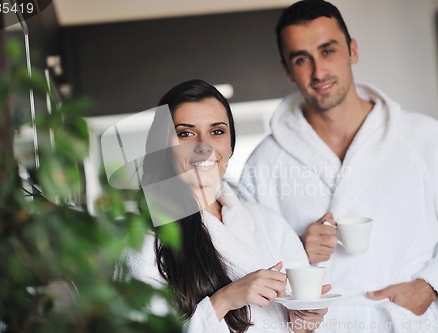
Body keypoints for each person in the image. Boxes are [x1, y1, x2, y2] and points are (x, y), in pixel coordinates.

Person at [238, 1, 438, 332]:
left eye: (328, 50)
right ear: (287, 71)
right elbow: (246, 267)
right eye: (302, 59)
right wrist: (299, 251)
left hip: (412, 324)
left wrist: (430, 286)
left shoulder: (424, 138)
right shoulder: (264, 163)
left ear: (352, 50)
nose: (318, 72)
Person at [120, 79, 329, 333]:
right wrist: (226, 299)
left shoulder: (268, 223)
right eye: (186, 133)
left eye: (217, 131)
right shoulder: (145, 242)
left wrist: (302, 322)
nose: (203, 146)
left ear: (230, 145)